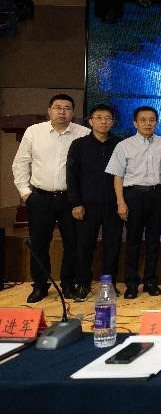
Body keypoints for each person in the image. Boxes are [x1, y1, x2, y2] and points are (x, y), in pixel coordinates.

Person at [13, 94, 90, 303]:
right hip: (40, 197)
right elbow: (20, 163)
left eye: (67, 108)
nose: (62, 112)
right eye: (57, 107)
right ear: (49, 110)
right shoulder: (34, 131)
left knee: (72, 244)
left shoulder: (83, 133)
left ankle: (68, 284)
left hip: (70, 199)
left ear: (73, 112)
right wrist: (25, 193)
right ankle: (40, 286)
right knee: (39, 244)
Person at [105, 106, 161, 299]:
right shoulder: (124, 145)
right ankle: (131, 284)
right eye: (143, 120)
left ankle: (150, 281)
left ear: (156, 122)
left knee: (154, 240)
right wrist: (120, 202)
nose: (148, 123)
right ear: (135, 123)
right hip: (133, 195)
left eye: (152, 120)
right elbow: (117, 176)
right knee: (133, 240)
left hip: (157, 194)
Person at [66, 103, 120, 302]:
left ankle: (109, 284)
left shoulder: (120, 144)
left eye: (107, 118)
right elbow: (71, 176)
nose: (103, 121)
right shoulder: (79, 145)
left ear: (112, 122)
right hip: (87, 205)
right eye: (99, 118)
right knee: (84, 246)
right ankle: (83, 283)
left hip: (113, 204)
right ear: (90, 121)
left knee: (112, 246)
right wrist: (75, 203)